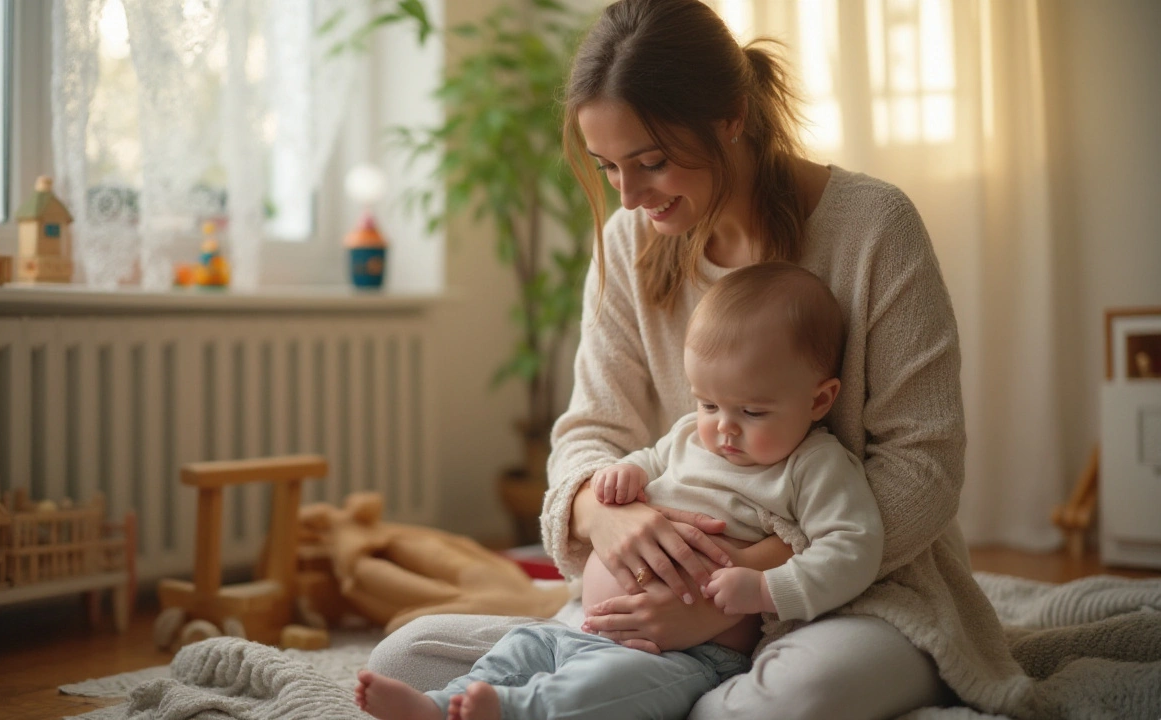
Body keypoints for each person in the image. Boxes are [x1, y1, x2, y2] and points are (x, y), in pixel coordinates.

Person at [370, 0, 1033, 718]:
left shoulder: (874, 228)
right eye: (607, 167)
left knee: (796, 696)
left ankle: (650, 696)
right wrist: (606, 520)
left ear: (732, 117)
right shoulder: (630, 243)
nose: (627, 196)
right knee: (405, 654)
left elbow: (923, 472)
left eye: (650, 162)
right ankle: (640, 693)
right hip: (651, 612)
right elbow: (589, 434)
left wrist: (732, 589)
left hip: (850, 594)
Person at [355, 263, 883, 720]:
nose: (724, 429)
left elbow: (855, 546)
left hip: (682, 655)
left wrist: (767, 590)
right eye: (708, 404)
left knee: (604, 690)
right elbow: (645, 459)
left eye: (752, 412)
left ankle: (514, 713)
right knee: (521, 648)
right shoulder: (687, 437)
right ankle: (440, 705)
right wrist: (620, 475)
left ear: (819, 400)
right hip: (581, 627)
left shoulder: (814, 465)